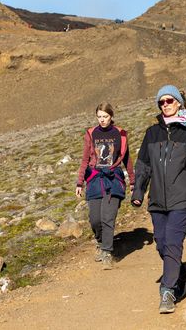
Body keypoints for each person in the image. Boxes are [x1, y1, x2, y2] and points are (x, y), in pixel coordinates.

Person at [132, 85, 186, 314]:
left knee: (173, 241)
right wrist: (138, 192)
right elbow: (143, 166)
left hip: (183, 199)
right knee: (161, 242)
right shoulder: (152, 133)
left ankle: (168, 291)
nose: (166, 104)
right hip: (157, 200)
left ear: (179, 102)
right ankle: (180, 273)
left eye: (170, 100)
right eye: (162, 102)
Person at [76, 103, 134, 270]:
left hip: (113, 179)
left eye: (105, 117)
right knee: (95, 219)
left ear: (111, 116)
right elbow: (85, 159)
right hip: (94, 180)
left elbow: (127, 159)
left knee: (108, 217)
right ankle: (101, 242)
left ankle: (107, 253)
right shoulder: (91, 133)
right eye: (99, 117)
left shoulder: (121, 134)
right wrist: (80, 182)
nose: (102, 120)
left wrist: (132, 181)